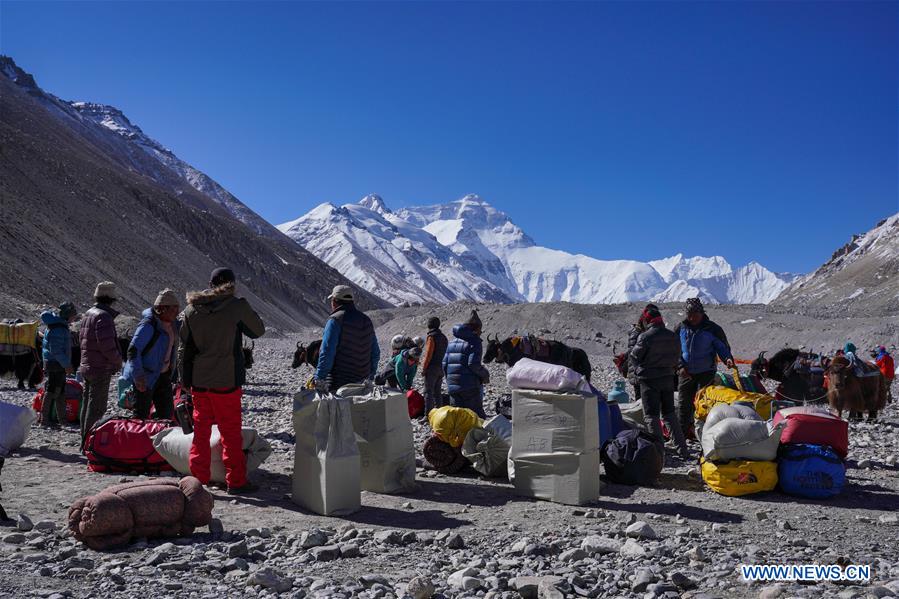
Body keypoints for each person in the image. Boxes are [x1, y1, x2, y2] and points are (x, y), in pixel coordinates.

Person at [179, 268, 265, 494]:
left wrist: (184, 380)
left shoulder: (191, 310)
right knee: (230, 433)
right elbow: (258, 331)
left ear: (210, 283)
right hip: (226, 380)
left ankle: (197, 481)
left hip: (199, 381)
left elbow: (184, 349)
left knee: (200, 432)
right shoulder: (236, 306)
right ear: (232, 284)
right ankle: (236, 481)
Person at [629, 305, 689, 459]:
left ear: (647, 320)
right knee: (669, 415)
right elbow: (677, 356)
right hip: (668, 378)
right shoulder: (671, 335)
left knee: (652, 416)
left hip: (649, 381)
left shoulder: (645, 337)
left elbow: (634, 357)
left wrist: (638, 371)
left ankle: (658, 453)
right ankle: (682, 449)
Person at [673, 298, 734, 439]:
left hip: (706, 372)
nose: (692, 317)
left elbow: (722, 347)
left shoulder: (713, 329)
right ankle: (682, 436)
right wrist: (680, 366)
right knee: (684, 404)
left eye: (695, 314)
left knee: (704, 404)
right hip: (685, 373)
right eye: (689, 314)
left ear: (701, 313)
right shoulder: (680, 328)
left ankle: (705, 436)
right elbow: (673, 349)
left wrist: (727, 359)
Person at [124, 290, 181, 420]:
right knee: (141, 416)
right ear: (162, 309)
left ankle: (157, 438)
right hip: (145, 377)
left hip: (164, 376)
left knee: (166, 415)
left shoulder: (173, 325)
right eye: (174, 309)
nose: (177, 312)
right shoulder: (148, 326)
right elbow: (133, 350)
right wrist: (138, 376)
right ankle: (139, 439)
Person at [79, 281, 124, 442]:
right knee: (97, 407)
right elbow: (107, 346)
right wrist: (119, 361)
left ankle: (84, 438)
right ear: (111, 299)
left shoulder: (88, 313)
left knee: (87, 404)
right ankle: (90, 442)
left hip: (87, 366)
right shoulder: (104, 317)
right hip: (100, 368)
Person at [314, 285, 380, 393]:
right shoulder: (366, 320)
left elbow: (327, 352)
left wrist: (319, 377)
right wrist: (370, 375)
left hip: (338, 382)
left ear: (334, 301)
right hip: (362, 382)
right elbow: (375, 352)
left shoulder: (335, 320)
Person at [443, 310, 489, 418]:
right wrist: (485, 374)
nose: (480, 332)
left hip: (452, 387)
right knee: (476, 418)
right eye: (480, 329)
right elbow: (473, 364)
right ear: (476, 328)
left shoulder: (452, 342)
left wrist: (450, 380)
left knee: (458, 418)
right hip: (469, 387)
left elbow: (444, 364)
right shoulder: (475, 342)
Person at [40, 302, 77, 428]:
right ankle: (44, 420)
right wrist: (67, 364)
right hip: (56, 364)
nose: (74, 318)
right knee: (51, 391)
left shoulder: (57, 326)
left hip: (55, 363)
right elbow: (56, 350)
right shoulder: (59, 329)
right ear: (67, 315)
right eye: (72, 316)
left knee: (60, 391)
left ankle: (62, 420)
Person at [421, 316, 448, 416]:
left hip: (431, 368)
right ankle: (439, 414)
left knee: (428, 392)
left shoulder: (431, 337)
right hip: (440, 367)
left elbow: (428, 354)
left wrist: (424, 369)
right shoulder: (444, 337)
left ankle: (428, 415)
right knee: (437, 393)